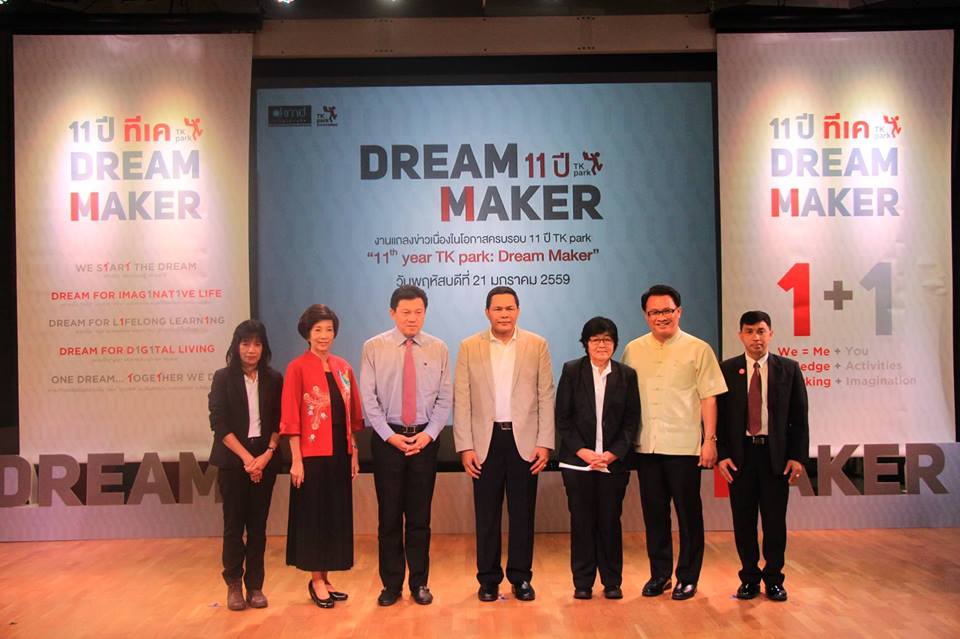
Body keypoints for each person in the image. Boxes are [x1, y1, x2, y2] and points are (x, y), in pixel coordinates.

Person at [621, 284, 727, 601]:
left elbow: (709, 398)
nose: (661, 317)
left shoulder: (699, 349)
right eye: (654, 312)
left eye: (667, 310)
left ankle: (688, 577)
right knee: (654, 515)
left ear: (679, 312)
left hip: (684, 447)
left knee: (688, 515)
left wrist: (710, 440)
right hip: (647, 446)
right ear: (646, 315)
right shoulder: (633, 349)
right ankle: (660, 575)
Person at [453, 286, 555, 602]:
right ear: (487, 312)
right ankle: (488, 580)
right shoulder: (469, 346)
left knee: (523, 514)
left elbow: (546, 395)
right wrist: (465, 446)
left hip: (525, 441)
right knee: (486, 515)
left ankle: (521, 578)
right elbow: (462, 399)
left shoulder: (537, 344)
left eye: (510, 308)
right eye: (498, 309)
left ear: (518, 311)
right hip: (485, 442)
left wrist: (545, 442)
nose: (504, 314)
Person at [360, 285, 452, 607]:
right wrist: (390, 436)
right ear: (392, 313)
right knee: (388, 518)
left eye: (418, 312)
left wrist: (428, 435)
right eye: (405, 312)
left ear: (425, 313)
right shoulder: (374, 347)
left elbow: (445, 398)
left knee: (419, 518)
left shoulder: (439, 348)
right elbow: (368, 399)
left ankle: (420, 583)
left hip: (425, 441)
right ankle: (391, 585)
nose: (412, 318)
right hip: (388, 441)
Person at [716, 310, 809, 602]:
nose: (756, 337)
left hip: (775, 456)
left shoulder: (789, 369)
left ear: (770, 334)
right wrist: (721, 454)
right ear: (740, 335)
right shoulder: (726, 369)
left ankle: (774, 579)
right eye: (749, 331)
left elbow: (799, 418)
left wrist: (797, 456)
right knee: (743, 520)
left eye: (761, 331)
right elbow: (718, 418)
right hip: (740, 457)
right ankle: (749, 578)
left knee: (774, 521)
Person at [280, 304, 363, 609]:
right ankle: (315, 579)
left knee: (334, 516)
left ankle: (326, 578)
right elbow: (291, 417)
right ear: (307, 333)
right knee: (314, 516)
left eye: (329, 329)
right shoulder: (297, 368)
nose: (324, 335)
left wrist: (354, 452)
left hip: (340, 453)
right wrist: (296, 459)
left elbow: (351, 415)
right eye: (318, 330)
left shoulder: (343, 368)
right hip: (311, 455)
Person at [555, 317, 640, 600]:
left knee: (610, 522)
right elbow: (563, 418)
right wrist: (583, 451)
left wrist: (613, 454)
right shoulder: (572, 371)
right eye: (595, 340)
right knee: (582, 522)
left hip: (613, 464)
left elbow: (631, 421)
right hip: (577, 462)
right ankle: (582, 582)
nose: (601, 345)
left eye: (607, 339)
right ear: (586, 343)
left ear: (614, 343)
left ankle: (612, 582)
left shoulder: (627, 375)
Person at [208, 319, 283, 611]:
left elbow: (280, 422)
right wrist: (247, 459)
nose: (251, 350)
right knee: (233, 526)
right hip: (233, 460)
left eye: (257, 344)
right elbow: (219, 424)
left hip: (265, 459)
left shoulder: (274, 379)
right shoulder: (222, 378)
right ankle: (233, 585)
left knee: (258, 527)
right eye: (245, 343)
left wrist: (266, 455)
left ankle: (255, 586)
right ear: (236, 346)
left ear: (264, 348)